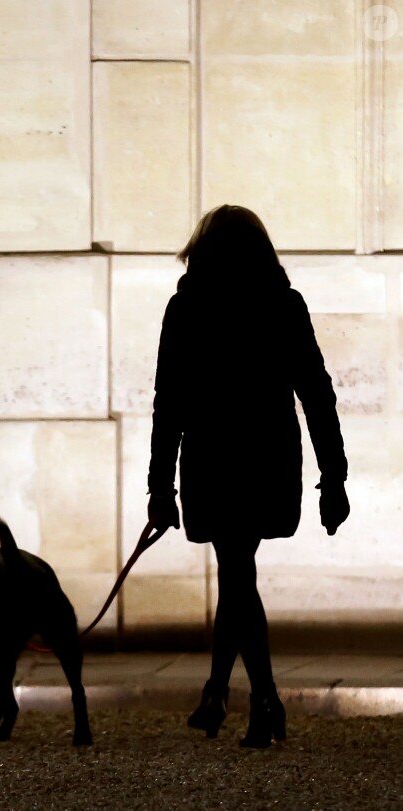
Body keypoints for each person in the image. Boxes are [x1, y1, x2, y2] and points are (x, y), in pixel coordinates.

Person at [146, 204, 350, 748]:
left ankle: (255, 698)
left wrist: (160, 488)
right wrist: (334, 478)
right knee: (239, 571)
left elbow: (170, 404)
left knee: (236, 569)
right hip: (267, 454)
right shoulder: (283, 305)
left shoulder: (186, 308)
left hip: (212, 456)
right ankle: (230, 695)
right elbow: (316, 393)